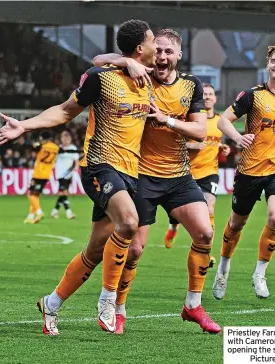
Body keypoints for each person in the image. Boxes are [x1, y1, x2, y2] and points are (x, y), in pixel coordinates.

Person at [0, 19, 156, 335]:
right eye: (152, 41)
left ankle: (50, 303)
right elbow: (65, 111)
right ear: (139, 48)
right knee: (130, 223)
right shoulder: (100, 78)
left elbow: (104, 58)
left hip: (130, 171)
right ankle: (108, 300)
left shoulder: (147, 82)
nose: (156, 46)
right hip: (98, 166)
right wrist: (25, 125)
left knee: (95, 251)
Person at [94, 29, 221, 334]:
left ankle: (193, 306)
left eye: (169, 52)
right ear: (151, 52)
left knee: (204, 233)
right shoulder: (140, 75)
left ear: (179, 55)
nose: (162, 57)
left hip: (178, 175)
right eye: (159, 50)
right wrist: (127, 61)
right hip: (141, 176)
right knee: (135, 250)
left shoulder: (190, 85)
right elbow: (98, 60)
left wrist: (167, 120)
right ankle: (120, 309)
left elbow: (201, 132)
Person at [212, 40, 275, 300]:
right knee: (236, 224)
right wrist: (236, 137)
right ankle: (223, 268)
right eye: (274, 61)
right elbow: (223, 120)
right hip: (250, 170)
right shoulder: (253, 96)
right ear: (268, 65)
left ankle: (259, 273)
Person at [164, 83, 231, 251]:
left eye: (210, 94)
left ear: (215, 99)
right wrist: (191, 146)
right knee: (176, 213)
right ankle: (173, 228)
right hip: (186, 172)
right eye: (204, 94)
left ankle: (206, 250)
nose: (207, 97)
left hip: (210, 172)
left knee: (209, 207)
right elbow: (173, 141)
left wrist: (223, 147)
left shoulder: (219, 121)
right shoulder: (190, 119)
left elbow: (214, 140)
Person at [23, 131, 60, 224]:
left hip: (38, 173)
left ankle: (39, 212)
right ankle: (30, 216)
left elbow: (32, 146)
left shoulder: (41, 146)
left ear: (42, 138)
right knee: (35, 195)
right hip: (47, 174)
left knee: (31, 194)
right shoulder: (56, 147)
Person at [51, 129, 79, 220]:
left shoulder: (73, 149)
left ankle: (55, 211)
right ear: (61, 139)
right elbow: (53, 159)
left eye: (67, 138)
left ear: (70, 139)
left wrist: (76, 167)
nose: (65, 140)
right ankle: (68, 212)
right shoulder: (58, 148)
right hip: (60, 174)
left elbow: (76, 160)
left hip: (68, 173)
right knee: (64, 192)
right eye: (64, 138)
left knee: (63, 193)